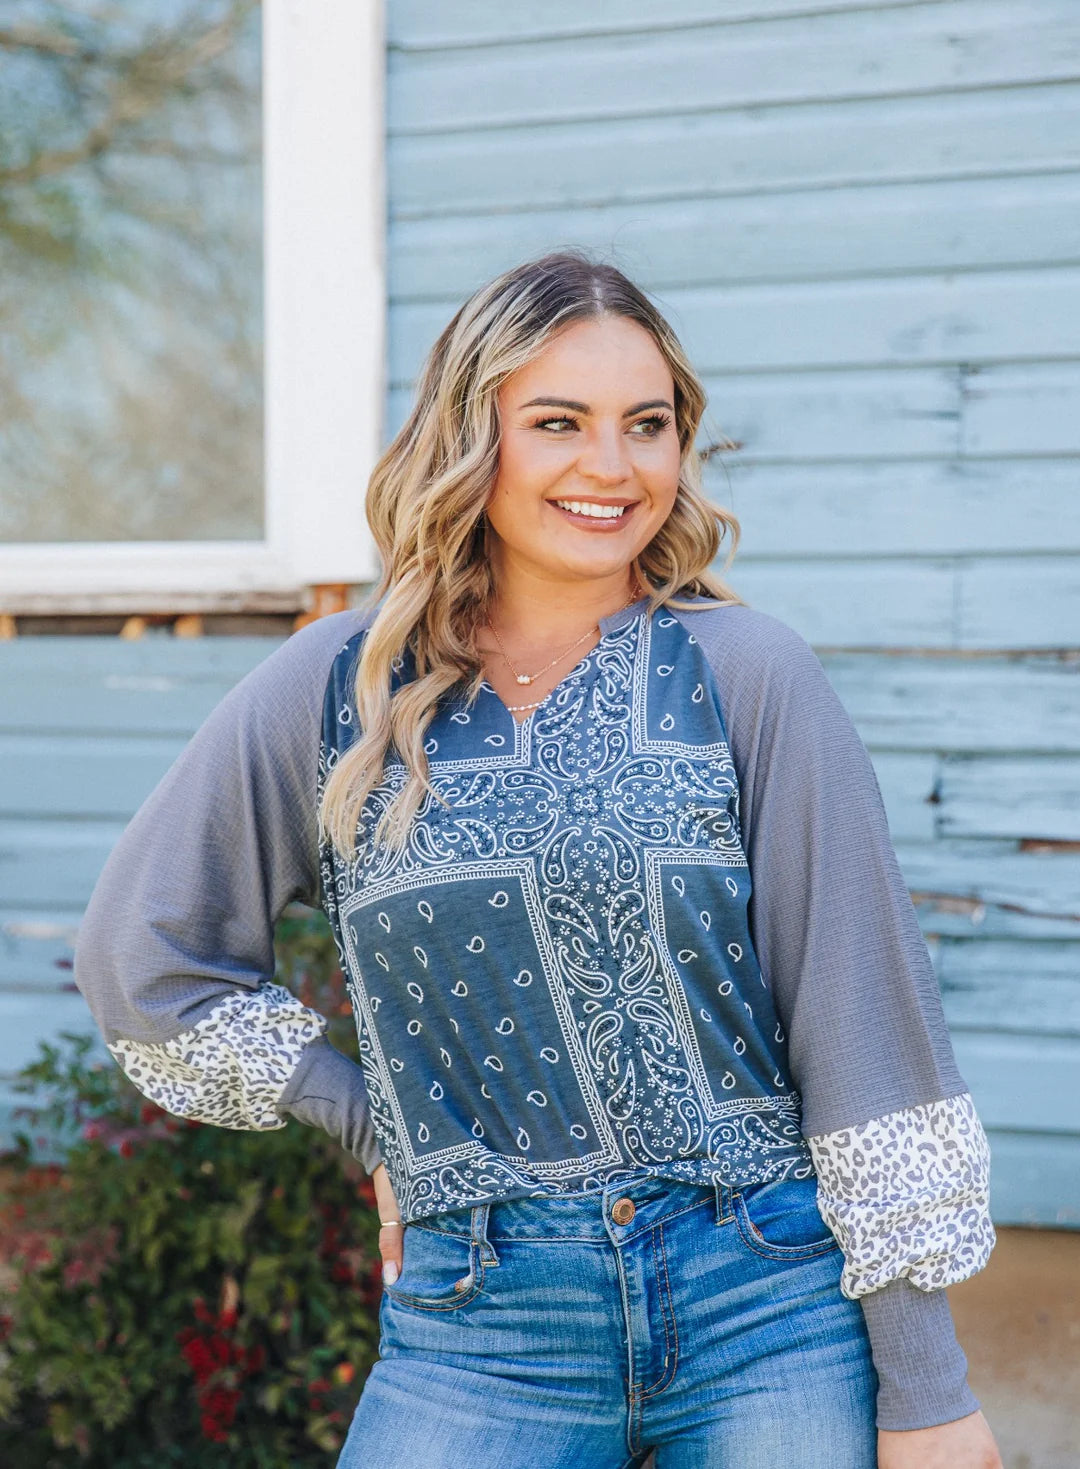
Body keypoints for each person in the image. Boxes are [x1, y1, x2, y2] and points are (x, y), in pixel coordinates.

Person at [74, 250, 1003, 1468]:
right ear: (473, 438)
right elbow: (144, 958)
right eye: (559, 422)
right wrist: (373, 1124)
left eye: (647, 424)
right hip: (481, 1322)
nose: (612, 467)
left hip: (765, 1294)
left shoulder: (750, 672)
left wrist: (928, 1389)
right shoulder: (339, 688)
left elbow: (863, 1026)